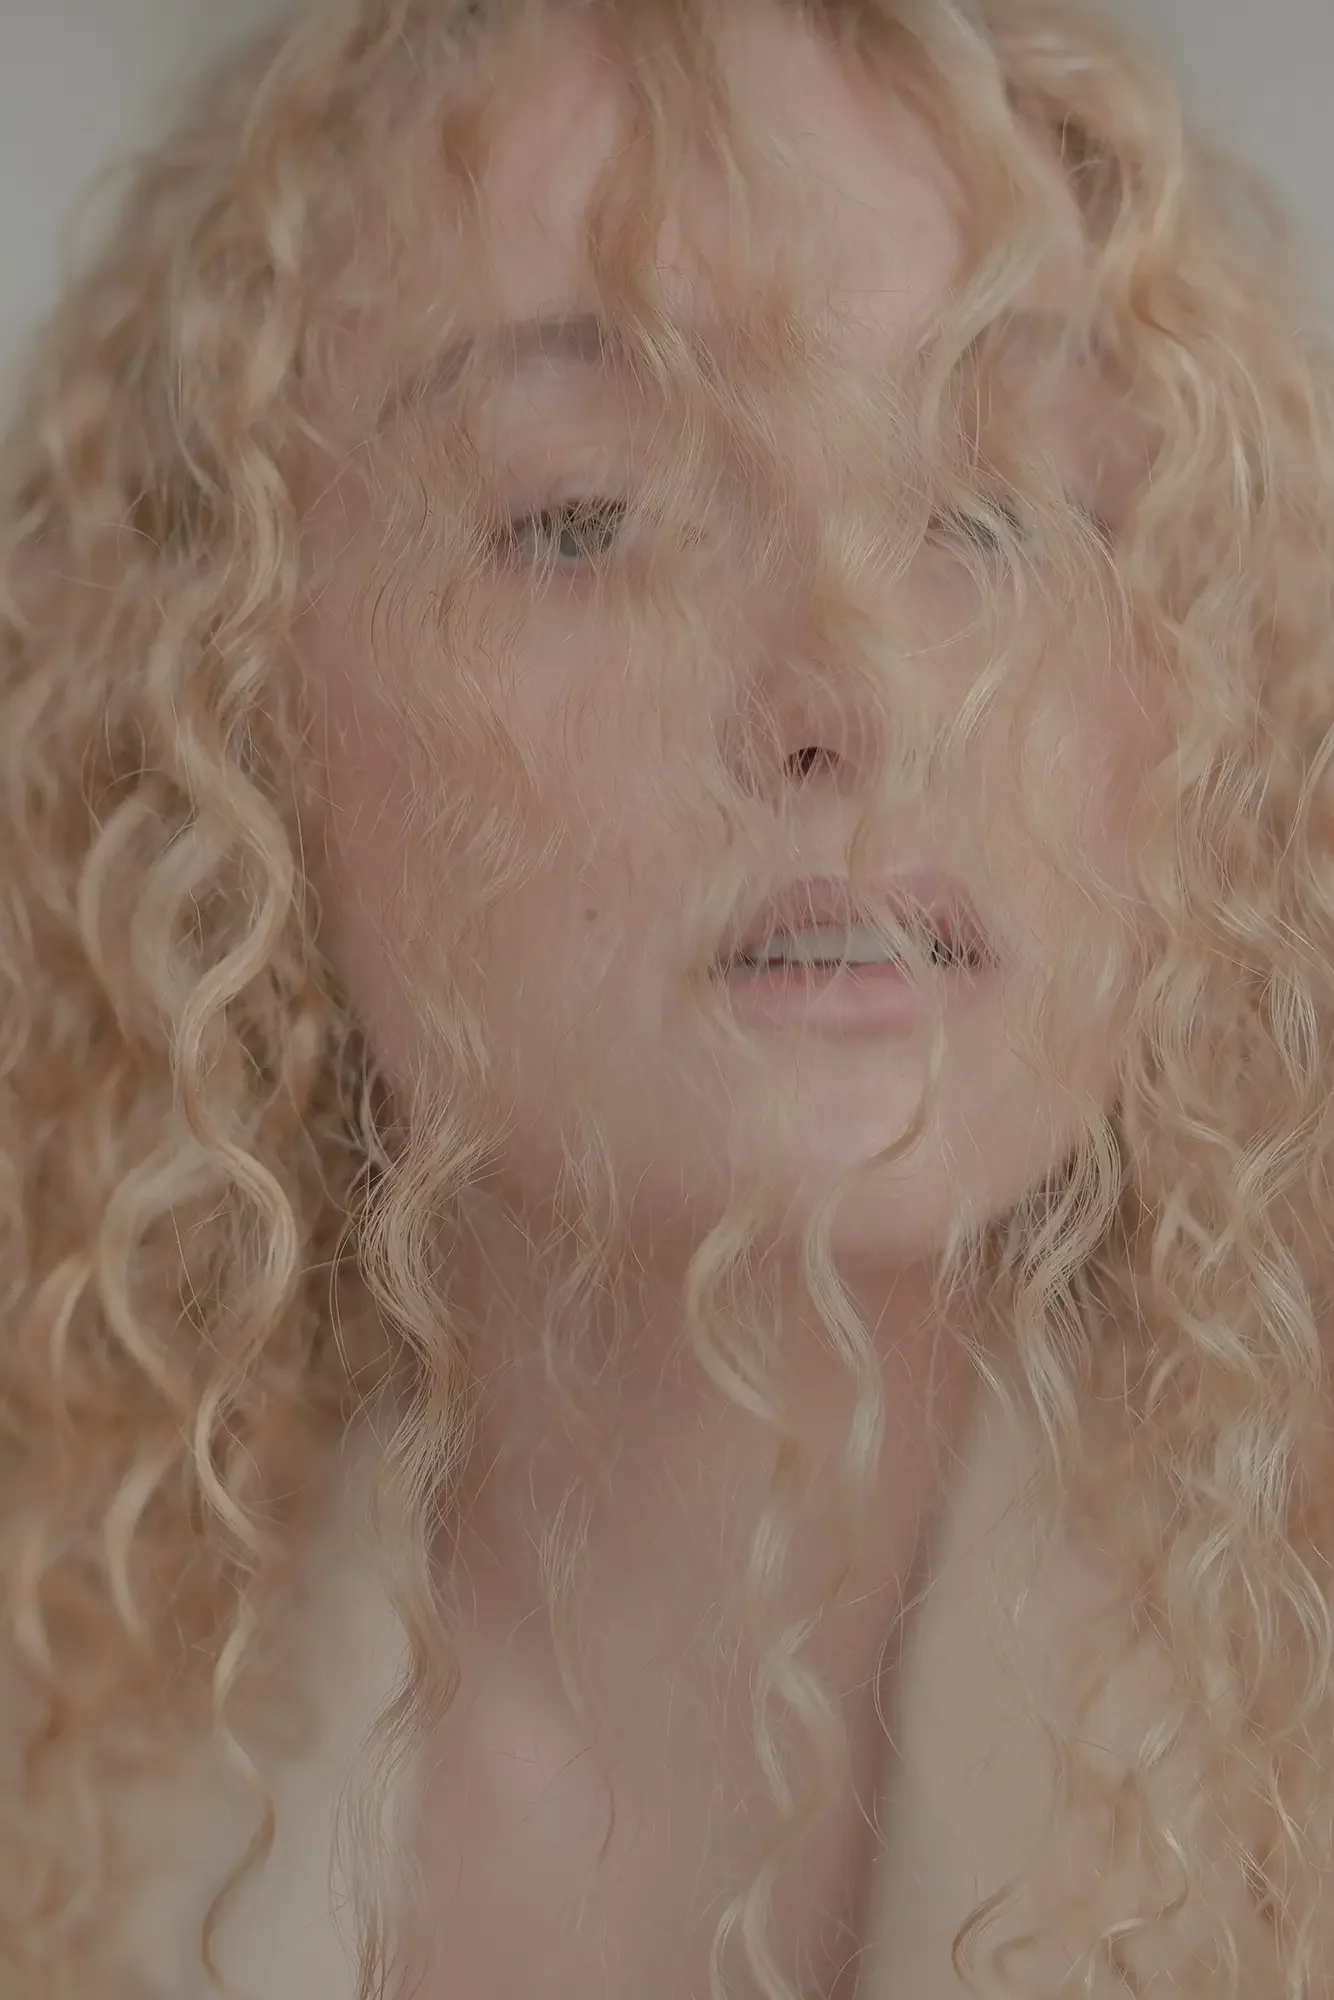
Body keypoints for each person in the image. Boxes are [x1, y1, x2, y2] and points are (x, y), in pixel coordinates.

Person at [4, 0, 1334, 1993]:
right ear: (223, 708)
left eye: (999, 512)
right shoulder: (66, 1785)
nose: (854, 698)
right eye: (583, 520)